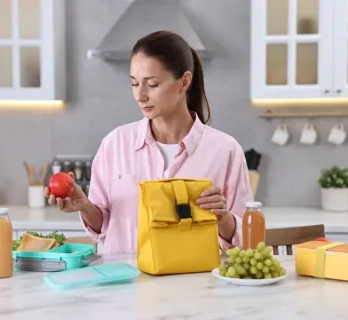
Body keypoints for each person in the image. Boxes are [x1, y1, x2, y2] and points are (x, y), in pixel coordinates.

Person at [45, 31, 253, 255]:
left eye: (152, 84)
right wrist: (85, 206)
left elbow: (248, 241)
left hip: (194, 286)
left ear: (184, 82)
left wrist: (224, 218)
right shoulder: (115, 144)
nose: (140, 95)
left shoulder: (224, 150)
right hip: (124, 284)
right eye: (134, 84)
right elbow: (103, 227)